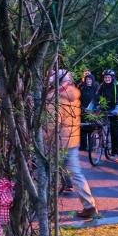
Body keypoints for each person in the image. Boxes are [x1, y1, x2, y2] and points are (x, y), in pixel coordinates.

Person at [46, 70, 99, 219]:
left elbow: (51, 123)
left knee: (49, 174)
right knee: (75, 174)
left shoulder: (55, 98)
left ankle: (47, 209)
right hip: (72, 140)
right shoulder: (73, 93)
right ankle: (89, 206)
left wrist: (43, 139)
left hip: (57, 142)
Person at [95, 69, 118, 162]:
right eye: (105, 77)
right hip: (105, 108)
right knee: (98, 125)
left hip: (115, 108)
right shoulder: (102, 86)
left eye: (109, 77)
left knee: (115, 132)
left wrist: (117, 108)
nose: (107, 79)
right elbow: (96, 97)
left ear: (112, 77)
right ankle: (101, 143)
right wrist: (91, 106)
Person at [79, 73, 98, 152]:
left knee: (91, 128)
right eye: (87, 79)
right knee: (82, 128)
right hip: (83, 110)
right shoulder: (82, 88)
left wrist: (94, 108)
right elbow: (78, 99)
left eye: (90, 79)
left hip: (92, 111)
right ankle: (83, 146)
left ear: (92, 80)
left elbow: (98, 99)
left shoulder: (96, 88)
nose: (88, 81)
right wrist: (82, 107)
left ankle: (92, 146)